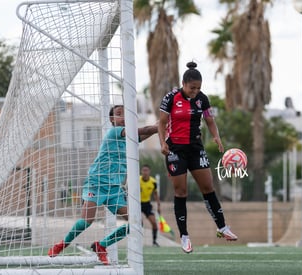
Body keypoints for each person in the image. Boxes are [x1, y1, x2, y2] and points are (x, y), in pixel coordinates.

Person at [47, 105, 158, 265]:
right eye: (119, 114)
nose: (123, 117)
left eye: (126, 114)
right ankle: (62, 244)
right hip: (96, 183)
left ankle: (102, 245)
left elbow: (151, 131)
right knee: (87, 220)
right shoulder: (114, 132)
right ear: (112, 119)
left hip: (115, 189)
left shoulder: (130, 139)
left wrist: (166, 120)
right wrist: (159, 126)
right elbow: (146, 129)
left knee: (136, 223)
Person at [158, 61, 238, 254]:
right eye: (192, 88)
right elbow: (161, 123)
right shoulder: (170, 98)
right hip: (175, 149)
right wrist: (163, 143)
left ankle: (222, 227)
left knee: (208, 188)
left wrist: (217, 137)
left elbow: (210, 120)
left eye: (198, 88)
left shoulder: (202, 99)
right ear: (184, 84)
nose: (195, 91)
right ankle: (184, 236)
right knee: (181, 192)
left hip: (195, 147)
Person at [139, 164, 161, 247]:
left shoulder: (153, 182)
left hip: (147, 204)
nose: (145, 172)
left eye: (146, 170)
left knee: (154, 223)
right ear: (141, 171)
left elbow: (155, 194)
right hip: (138, 204)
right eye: (143, 170)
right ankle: (138, 241)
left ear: (149, 171)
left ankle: (154, 242)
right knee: (139, 223)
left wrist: (159, 206)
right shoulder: (137, 180)